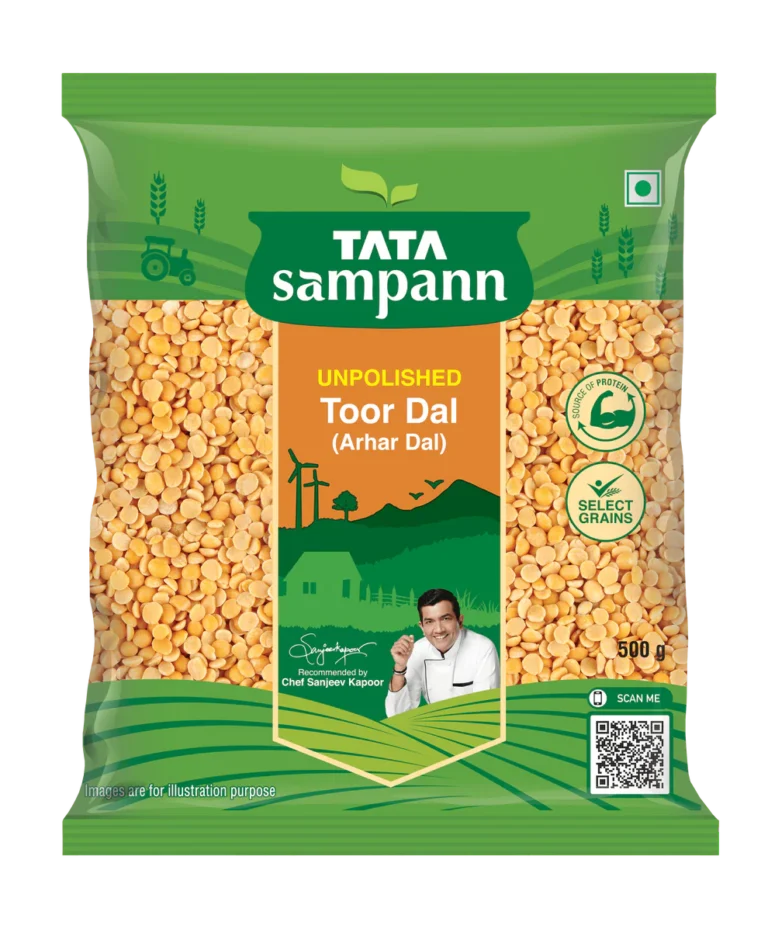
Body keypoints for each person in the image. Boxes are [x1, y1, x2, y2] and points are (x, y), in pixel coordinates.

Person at [385, 588, 500, 717]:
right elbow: (397, 715)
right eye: (429, 622)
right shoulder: (417, 650)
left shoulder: (482, 648)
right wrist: (400, 667)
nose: (439, 629)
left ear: (460, 621)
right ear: (422, 627)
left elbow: (486, 710)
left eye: (445, 618)